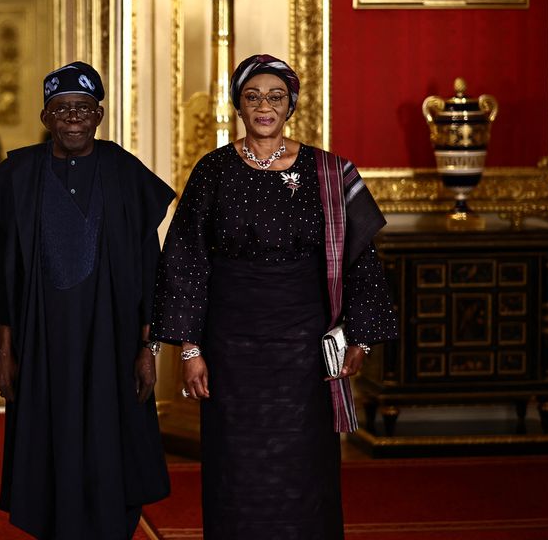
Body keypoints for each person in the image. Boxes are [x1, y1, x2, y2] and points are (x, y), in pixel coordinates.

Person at [151, 54, 398, 539]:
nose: (265, 107)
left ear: (291, 105)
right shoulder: (213, 170)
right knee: (234, 464)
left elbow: (362, 261)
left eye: (275, 97)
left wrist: (361, 340)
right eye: (253, 97)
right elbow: (185, 262)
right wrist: (192, 349)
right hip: (231, 349)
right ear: (239, 106)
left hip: (306, 350)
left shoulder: (330, 172)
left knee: (305, 465)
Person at [0, 61, 173, 539]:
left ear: (99, 114)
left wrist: (149, 351)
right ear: (45, 116)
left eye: (83, 108)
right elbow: (4, 274)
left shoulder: (125, 172)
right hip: (39, 342)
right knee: (48, 443)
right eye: (61, 109)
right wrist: (4, 354)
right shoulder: (19, 175)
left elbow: (152, 269)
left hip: (112, 340)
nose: (73, 118)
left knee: (112, 440)